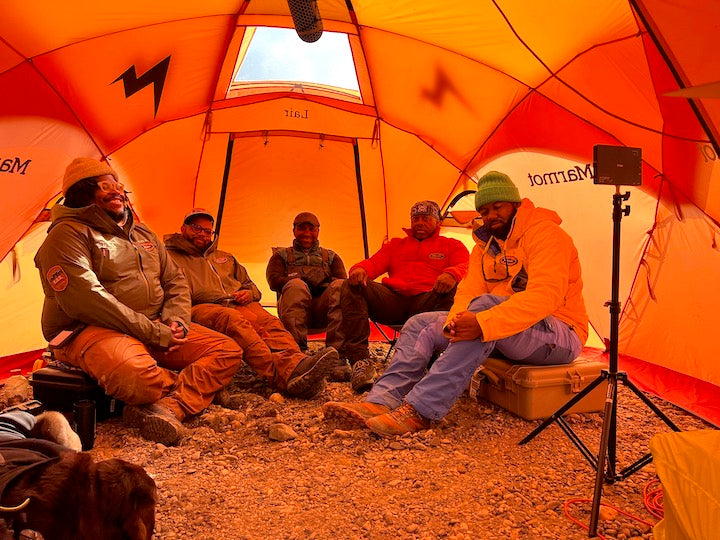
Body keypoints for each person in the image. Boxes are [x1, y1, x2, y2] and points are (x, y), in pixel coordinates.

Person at [324, 171, 589, 436]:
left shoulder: (545, 234)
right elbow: (468, 292)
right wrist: (456, 322)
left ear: (516, 205)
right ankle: (382, 400)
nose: (491, 216)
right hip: (503, 329)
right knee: (420, 325)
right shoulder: (485, 247)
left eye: (498, 207)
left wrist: (481, 322)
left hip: (558, 332)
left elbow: (546, 296)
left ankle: (421, 410)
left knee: (483, 309)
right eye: (484, 211)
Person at [34, 158, 244, 446]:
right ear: (82, 192)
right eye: (105, 186)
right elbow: (87, 299)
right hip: (91, 328)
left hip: (156, 324)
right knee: (137, 379)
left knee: (227, 350)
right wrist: (154, 333)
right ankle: (187, 386)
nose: (116, 191)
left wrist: (176, 321)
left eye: (118, 184)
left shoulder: (142, 232)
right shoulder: (66, 234)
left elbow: (175, 280)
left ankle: (171, 407)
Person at [164, 209, 338, 400]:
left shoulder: (225, 257)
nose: (203, 234)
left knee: (269, 322)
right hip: (200, 307)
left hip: (239, 302)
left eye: (208, 231)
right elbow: (168, 293)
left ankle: (298, 363)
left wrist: (249, 293)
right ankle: (282, 377)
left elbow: (253, 287)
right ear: (183, 229)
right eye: (197, 228)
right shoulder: (168, 257)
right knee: (236, 322)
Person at [339, 200, 469, 392]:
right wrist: (360, 269)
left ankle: (431, 362)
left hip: (427, 302)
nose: (419, 223)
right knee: (352, 284)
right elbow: (374, 263)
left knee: (451, 289)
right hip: (393, 301)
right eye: (415, 218)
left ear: (437, 221)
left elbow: (464, 265)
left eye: (426, 218)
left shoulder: (452, 245)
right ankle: (361, 362)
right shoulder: (395, 245)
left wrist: (451, 274)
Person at [266, 211, 349, 380]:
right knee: (297, 286)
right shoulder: (281, 256)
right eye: (302, 228)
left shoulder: (331, 257)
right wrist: (300, 278)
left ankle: (337, 356)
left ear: (318, 231)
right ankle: (296, 355)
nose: (307, 233)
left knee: (341, 287)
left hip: (323, 312)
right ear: (294, 230)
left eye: (311, 229)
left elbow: (343, 282)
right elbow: (274, 282)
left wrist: (323, 281)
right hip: (293, 311)